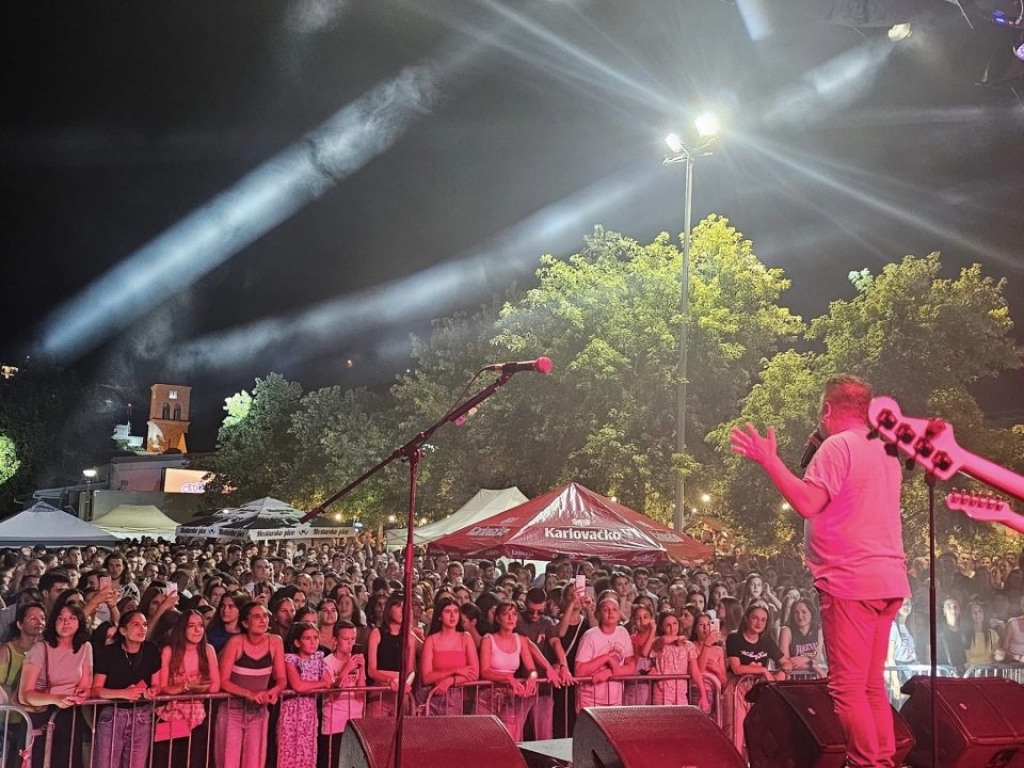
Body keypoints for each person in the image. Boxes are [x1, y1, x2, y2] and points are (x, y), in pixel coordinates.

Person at [731, 374, 911, 768]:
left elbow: (809, 502)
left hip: (851, 580)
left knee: (847, 689)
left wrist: (769, 460)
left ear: (827, 410)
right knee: (870, 687)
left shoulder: (838, 446)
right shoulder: (884, 451)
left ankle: (870, 763)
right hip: (889, 578)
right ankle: (883, 761)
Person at [19, 602, 93, 768]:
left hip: (70, 715)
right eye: (61, 618)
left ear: (80, 622)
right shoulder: (40, 648)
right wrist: (56, 698)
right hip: (41, 715)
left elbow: (86, 684)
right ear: (53, 623)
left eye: (72, 617)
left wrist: (83, 693)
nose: (65, 622)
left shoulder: (85, 647)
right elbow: (25, 694)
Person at [216, 602, 287, 768]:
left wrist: (274, 691)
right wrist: (250, 694)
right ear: (245, 623)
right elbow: (223, 680)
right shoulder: (235, 642)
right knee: (228, 763)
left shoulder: (275, 642)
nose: (263, 620)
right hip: (232, 711)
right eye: (256, 616)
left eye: (265, 616)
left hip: (259, 712)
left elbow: (282, 678)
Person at [91, 610, 161, 768]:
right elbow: (96, 689)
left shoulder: (151, 650)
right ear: (123, 630)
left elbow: (157, 684)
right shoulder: (108, 653)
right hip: (113, 715)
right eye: (136, 625)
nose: (142, 628)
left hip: (142, 715)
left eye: (144, 625)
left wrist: (153, 691)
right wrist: (122, 693)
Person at [152, 609, 220, 768]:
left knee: (194, 762)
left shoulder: (208, 650)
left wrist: (190, 690)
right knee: (168, 762)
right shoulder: (169, 650)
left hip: (197, 717)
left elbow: (215, 686)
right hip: (171, 715)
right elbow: (163, 687)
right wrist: (188, 687)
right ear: (182, 629)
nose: (198, 630)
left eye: (201, 625)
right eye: (191, 626)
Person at [724, 604, 791, 757]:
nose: (759, 623)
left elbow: (785, 663)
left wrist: (783, 671)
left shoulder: (766, 642)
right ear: (747, 618)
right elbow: (737, 668)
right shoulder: (734, 638)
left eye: (763, 620)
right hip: (737, 689)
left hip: (758, 692)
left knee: (758, 734)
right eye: (755, 618)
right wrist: (763, 670)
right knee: (736, 733)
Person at [479, 601, 551, 741]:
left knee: (510, 741)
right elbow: (485, 671)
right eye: (506, 615)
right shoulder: (488, 639)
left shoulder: (520, 640)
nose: (511, 618)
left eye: (514, 614)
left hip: (510, 697)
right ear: (498, 618)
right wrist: (508, 678)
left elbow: (532, 669)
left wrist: (532, 678)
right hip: (487, 698)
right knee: (485, 742)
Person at [279, 622, 332, 768]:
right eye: (307, 638)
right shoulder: (290, 660)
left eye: (315, 637)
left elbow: (329, 680)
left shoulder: (320, 658)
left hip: (310, 714)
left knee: (308, 755)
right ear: (297, 642)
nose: (313, 641)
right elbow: (298, 685)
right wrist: (320, 684)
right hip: (291, 714)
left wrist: (319, 684)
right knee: (289, 755)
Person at [0, 602, 45, 768]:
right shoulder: (6, 651)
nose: (39, 621)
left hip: (28, 722)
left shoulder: (44, 651)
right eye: (32, 618)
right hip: (4, 720)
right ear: (19, 624)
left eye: (42, 618)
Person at [574, 592, 636, 709]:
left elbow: (631, 666)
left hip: (615, 699)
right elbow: (579, 671)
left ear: (619, 614)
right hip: (590, 700)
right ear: (598, 614)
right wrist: (606, 658)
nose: (610, 612)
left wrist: (609, 673)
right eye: (606, 609)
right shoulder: (590, 636)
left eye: (614, 609)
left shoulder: (623, 633)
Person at [319, 622, 365, 768]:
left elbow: (360, 695)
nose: (350, 643)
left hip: (355, 722)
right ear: (335, 640)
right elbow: (333, 695)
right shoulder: (326, 662)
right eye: (346, 639)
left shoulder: (356, 661)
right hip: (334, 723)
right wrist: (346, 669)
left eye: (353, 638)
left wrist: (362, 669)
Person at [650, 610, 707, 710]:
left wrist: (703, 695)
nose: (672, 628)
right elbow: (663, 640)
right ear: (662, 627)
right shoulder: (658, 642)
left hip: (681, 693)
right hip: (662, 693)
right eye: (668, 625)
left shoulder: (688, 645)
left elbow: (695, 671)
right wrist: (677, 638)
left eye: (675, 623)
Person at [778, 598, 826, 677]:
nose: (800, 616)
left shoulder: (819, 631)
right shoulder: (786, 631)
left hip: (812, 678)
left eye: (804, 612)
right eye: (796, 613)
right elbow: (786, 665)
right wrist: (810, 663)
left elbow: (816, 660)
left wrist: (807, 660)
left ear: (811, 613)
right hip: (791, 677)